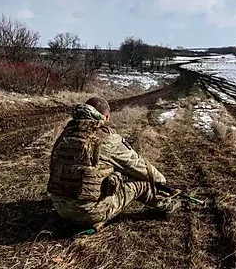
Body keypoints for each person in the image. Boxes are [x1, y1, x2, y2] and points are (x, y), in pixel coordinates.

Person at [47, 96, 180, 232]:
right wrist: (161, 181)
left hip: (59, 207)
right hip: (90, 213)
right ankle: (168, 205)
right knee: (144, 184)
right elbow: (141, 168)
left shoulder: (66, 134)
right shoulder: (107, 138)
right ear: (107, 117)